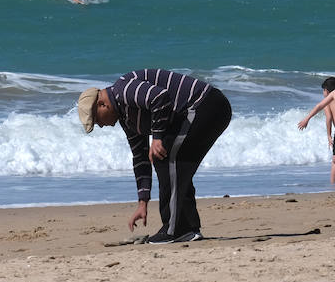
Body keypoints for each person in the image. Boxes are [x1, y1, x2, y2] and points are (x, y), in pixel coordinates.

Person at [78, 69, 232, 243]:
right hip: (205, 110)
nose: (100, 125)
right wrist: (142, 203)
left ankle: (175, 229)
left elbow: (159, 97)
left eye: (96, 120)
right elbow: (140, 157)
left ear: (102, 104)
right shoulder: (127, 119)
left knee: (166, 157)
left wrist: (157, 138)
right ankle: (188, 228)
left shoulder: (124, 89)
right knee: (174, 163)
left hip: (207, 104)